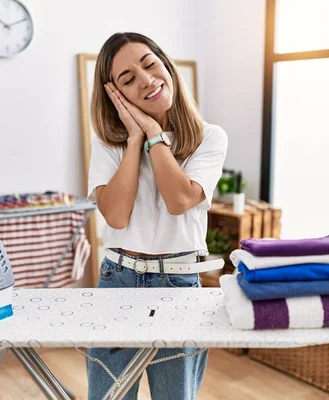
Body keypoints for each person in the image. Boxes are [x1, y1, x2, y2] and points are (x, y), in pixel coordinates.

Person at [86, 32, 228, 400]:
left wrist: (153, 132)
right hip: (118, 279)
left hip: (180, 284)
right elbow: (116, 217)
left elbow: (180, 199)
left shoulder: (208, 138)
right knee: (109, 396)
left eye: (149, 64)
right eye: (128, 79)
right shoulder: (109, 147)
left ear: (166, 65)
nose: (146, 80)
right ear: (115, 96)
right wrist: (134, 139)